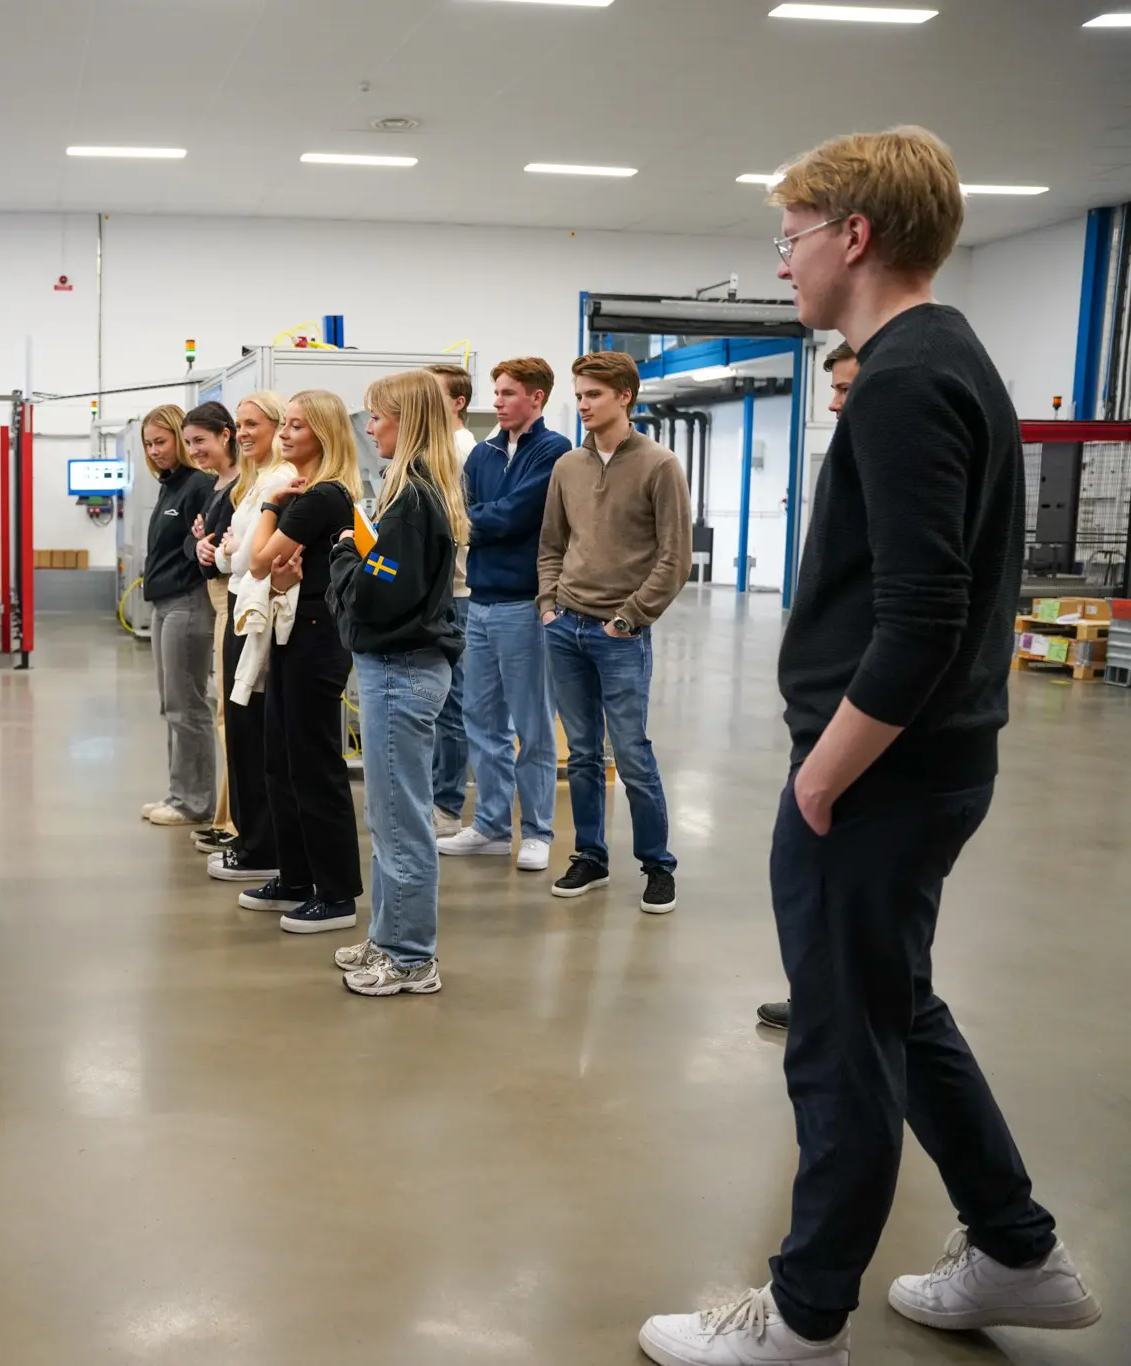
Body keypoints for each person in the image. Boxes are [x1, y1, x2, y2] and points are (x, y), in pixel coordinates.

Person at [640, 127, 1101, 1366]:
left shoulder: (902, 378)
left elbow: (919, 618)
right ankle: (1013, 1249)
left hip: (880, 773)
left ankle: (800, 1321)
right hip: (925, 763)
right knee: (895, 1005)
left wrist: (819, 773)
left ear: (853, 237)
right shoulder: (940, 360)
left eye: (787, 239)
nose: (779, 263)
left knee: (841, 1038)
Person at [326, 371, 467, 995]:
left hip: (401, 668)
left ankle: (411, 956)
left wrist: (341, 555)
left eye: (378, 417)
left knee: (400, 819)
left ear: (405, 422)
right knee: (387, 818)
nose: (370, 428)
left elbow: (379, 594)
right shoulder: (408, 493)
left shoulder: (410, 501)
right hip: (399, 667)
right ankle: (390, 934)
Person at [538, 352, 690, 913]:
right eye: (578, 395)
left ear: (624, 396)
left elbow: (675, 558)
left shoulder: (660, 466)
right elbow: (551, 545)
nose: (581, 405)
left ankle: (657, 865)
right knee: (580, 754)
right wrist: (549, 605)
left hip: (621, 633)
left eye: (592, 395)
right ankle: (591, 857)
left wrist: (631, 617)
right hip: (565, 626)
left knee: (630, 752)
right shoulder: (568, 467)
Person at [757, 338, 857, 1033]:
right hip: (823, 716)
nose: (832, 402)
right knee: (806, 885)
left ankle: (831, 1004)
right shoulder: (853, 467)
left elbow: (921, 618)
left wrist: (823, 771)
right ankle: (821, 992)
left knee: (816, 875)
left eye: (847, 388)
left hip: (854, 724)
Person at [441, 357, 573, 873]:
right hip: (481, 601)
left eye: (508, 393)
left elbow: (519, 514)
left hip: (525, 604)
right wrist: (475, 522)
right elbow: (468, 510)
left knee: (533, 724)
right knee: (481, 719)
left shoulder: (554, 451)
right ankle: (493, 826)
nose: (496, 401)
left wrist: (472, 523)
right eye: (495, 392)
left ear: (536, 398)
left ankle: (537, 830)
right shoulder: (484, 454)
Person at [239, 390, 363, 933]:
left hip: (317, 633)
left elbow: (257, 560)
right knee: (280, 758)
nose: (284, 435)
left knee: (313, 764)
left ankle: (335, 892)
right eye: (283, 425)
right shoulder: (304, 493)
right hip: (294, 631)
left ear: (324, 434)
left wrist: (269, 505)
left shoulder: (322, 497)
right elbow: (270, 563)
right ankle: (295, 875)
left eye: (295, 427)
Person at [206, 391, 292, 884]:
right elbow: (227, 555)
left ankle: (262, 845)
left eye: (251, 424)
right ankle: (250, 837)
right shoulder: (255, 482)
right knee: (240, 730)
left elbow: (245, 559)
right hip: (241, 604)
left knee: (253, 732)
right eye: (238, 424)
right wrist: (229, 551)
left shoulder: (279, 481)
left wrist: (233, 552)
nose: (242, 433)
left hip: (256, 610)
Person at [136, 404, 218, 828]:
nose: (155, 451)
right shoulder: (170, 487)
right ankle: (178, 793)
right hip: (164, 604)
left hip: (188, 602)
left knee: (188, 706)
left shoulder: (199, 485)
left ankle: (194, 801)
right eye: (149, 444)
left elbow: (205, 542)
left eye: (161, 442)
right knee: (173, 705)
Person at [423, 364, 478, 839]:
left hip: (457, 593)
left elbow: (456, 524)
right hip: (439, 592)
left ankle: (447, 806)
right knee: (439, 702)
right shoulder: (436, 448)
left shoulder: (460, 450)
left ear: (457, 402)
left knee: (451, 705)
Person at [182, 402, 240, 852]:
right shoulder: (216, 487)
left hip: (233, 600)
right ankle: (228, 815)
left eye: (200, 440)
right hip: (217, 596)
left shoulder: (245, 487)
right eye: (189, 443)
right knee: (223, 713)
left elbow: (228, 551)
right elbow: (200, 544)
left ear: (226, 435)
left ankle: (238, 820)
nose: (194, 450)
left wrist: (209, 548)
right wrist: (203, 544)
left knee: (229, 715)